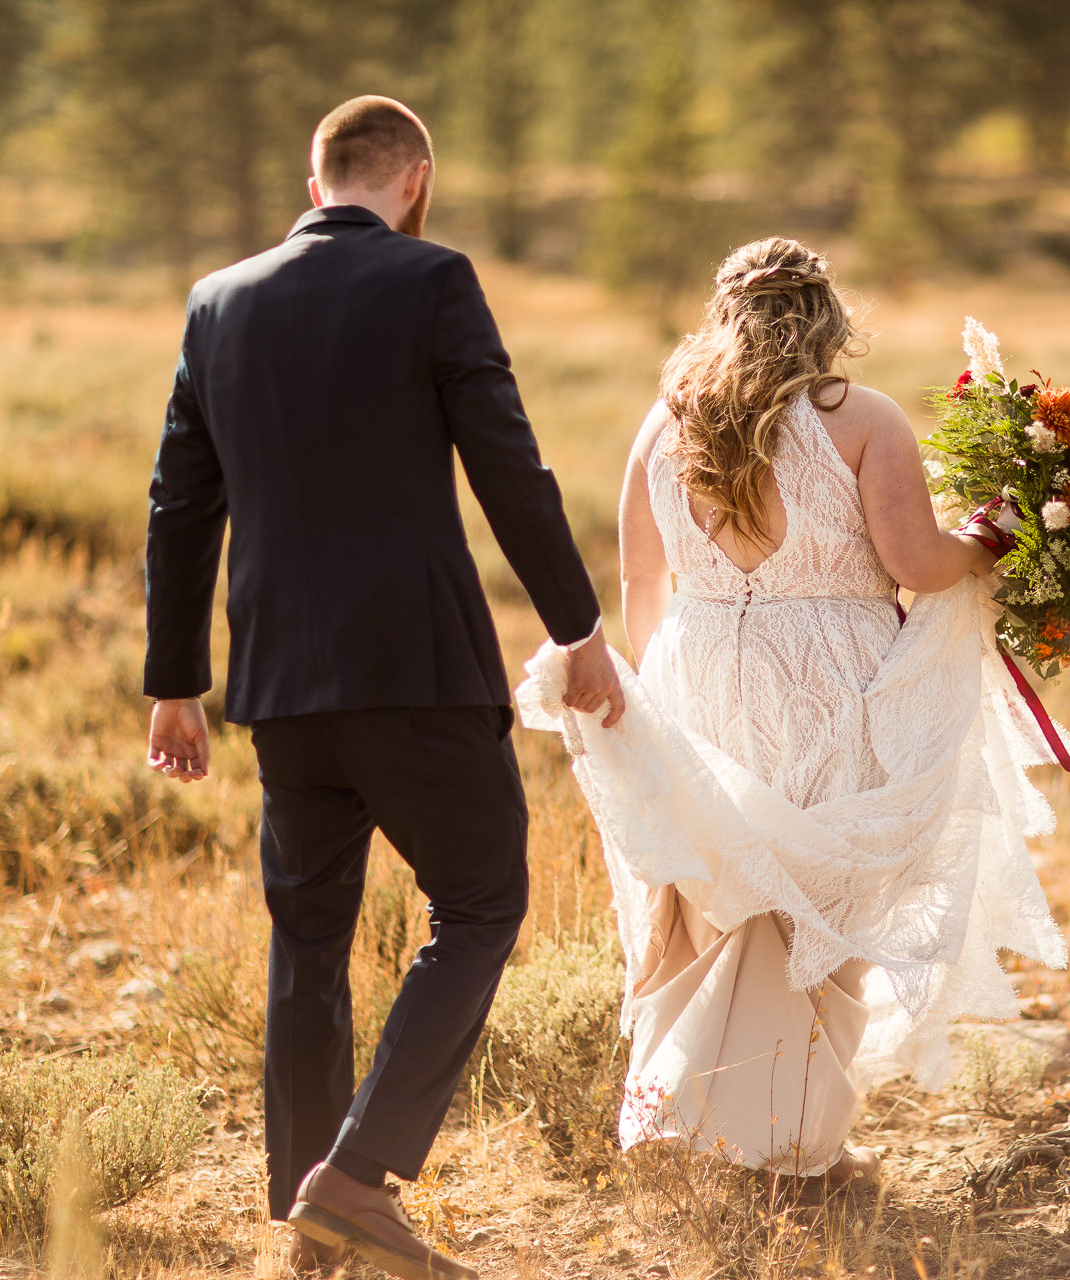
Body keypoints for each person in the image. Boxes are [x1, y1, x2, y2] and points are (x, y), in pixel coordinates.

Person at [141, 95, 623, 1279]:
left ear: (317, 189)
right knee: (483, 896)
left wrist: (174, 683)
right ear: (414, 177)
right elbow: (509, 464)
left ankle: (308, 1221)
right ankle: (354, 1181)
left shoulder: (220, 300)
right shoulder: (432, 279)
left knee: (308, 936)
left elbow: (178, 504)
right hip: (413, 671)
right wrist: (580, 629)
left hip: (278, 686)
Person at [516, 237, 1068, 1182]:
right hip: (826, 680)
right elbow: (916, 564)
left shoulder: (664, 425)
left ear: (723, 317)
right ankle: (785, 1142)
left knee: (722, 896)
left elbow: (640, 580)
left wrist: (662, 706)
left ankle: (725, 1122)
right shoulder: (862, 418)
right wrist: (993, 537)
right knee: (820, 897)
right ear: (826, 318)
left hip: (696, 671)